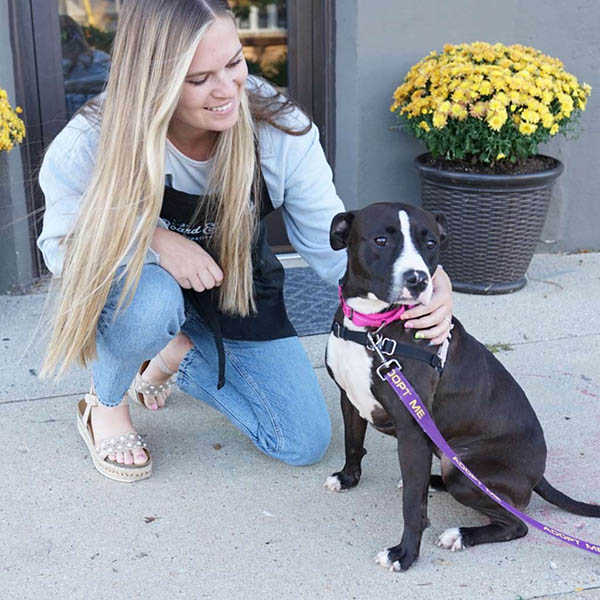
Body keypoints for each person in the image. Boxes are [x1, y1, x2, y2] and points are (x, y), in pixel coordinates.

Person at [38, 0, 453, 482]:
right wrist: (154, 240)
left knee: (301, 441)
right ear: (152, 82)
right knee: (150, 307)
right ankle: (104, 405)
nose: (227, 89)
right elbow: (62, 249)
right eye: (199, 79)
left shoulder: (279, 129)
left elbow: (331, 248)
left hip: (238, 286)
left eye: (234, 63)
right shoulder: (95, 137)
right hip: (141, 286)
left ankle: (180, 353)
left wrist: (424, 279)